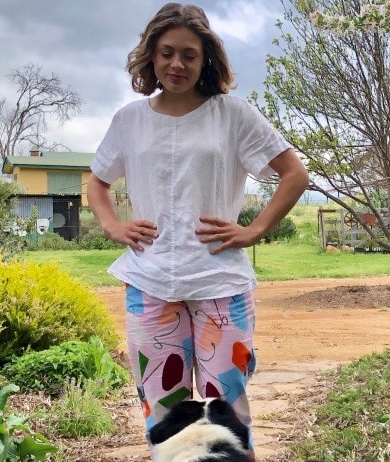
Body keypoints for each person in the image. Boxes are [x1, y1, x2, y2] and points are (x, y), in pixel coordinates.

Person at [86, 3, 309, 460]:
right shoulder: (129, 120)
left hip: (220, 281)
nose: (176, 64)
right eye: (166, 53)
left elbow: (294, 174)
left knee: (226, 407)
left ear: (206, 58)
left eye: (189, 54)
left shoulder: (232, 114)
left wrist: (254, 230)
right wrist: (113, 225)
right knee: (161, 409)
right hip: (149, 280)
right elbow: (98, 181)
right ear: (150, 56)